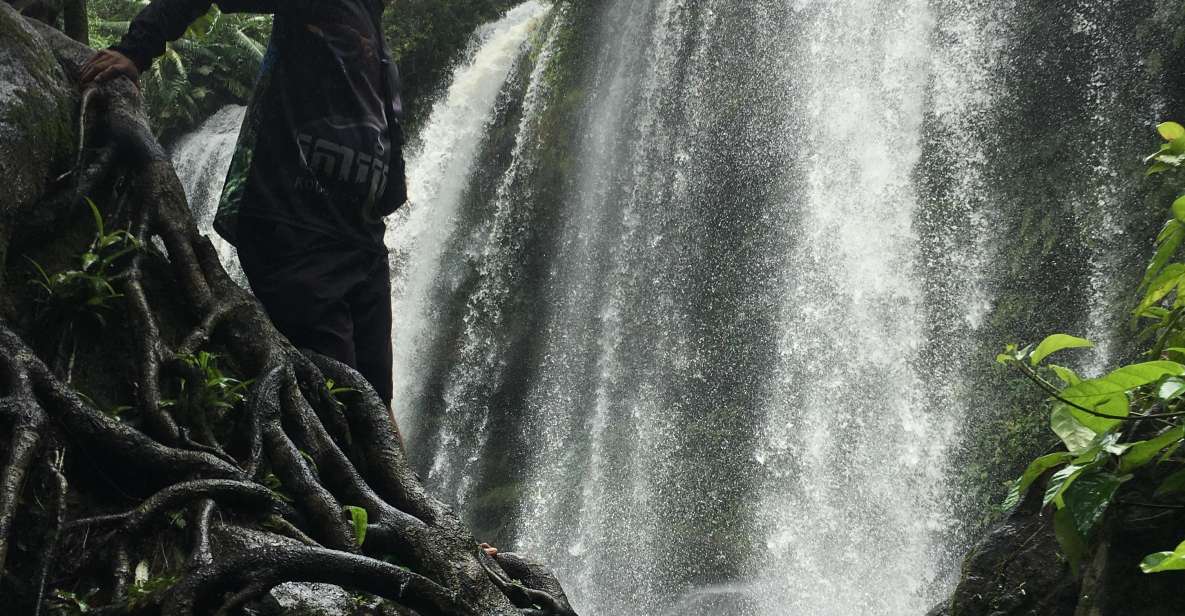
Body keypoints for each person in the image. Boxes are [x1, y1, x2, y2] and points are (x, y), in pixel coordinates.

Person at [80, 0, 405, 409]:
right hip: (296, 228)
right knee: (337, 400)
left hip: (363, 240)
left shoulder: (373, 27)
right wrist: (136, 49)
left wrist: (386, 196)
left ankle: (387, 475)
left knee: (377, 403)